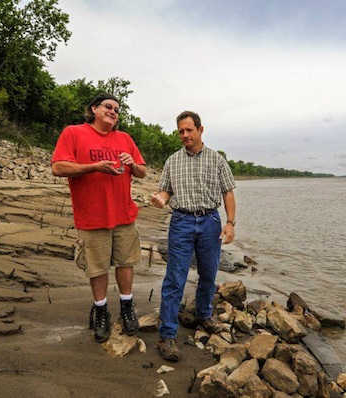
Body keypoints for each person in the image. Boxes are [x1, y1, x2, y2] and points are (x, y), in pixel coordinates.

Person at [51, 93, 147, 343]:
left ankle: (127, 306)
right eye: (108, 107)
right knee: (97, 267)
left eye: (117, 109)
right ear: (93, 109)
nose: (113, 112)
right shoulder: (74, 133)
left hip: (124, 215)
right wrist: (94, 167)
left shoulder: (125, 138)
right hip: (92, 216)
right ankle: (101, 309)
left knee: (126, 262)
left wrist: (132, 166)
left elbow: (143, 171)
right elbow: (58, 167)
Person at [151, 110, 236, 361]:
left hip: (210, 221)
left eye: (189, 130)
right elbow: (165, 191)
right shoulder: (172, 161)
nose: (185, 135)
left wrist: (230, 223)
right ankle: (167, 334)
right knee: (175, 278)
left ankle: (203, 315)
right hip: (181, 221)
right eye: (181, 131)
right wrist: (160, 198)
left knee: (209, 273)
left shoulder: (217, 159)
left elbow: (228, 193)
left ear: (201, 130)